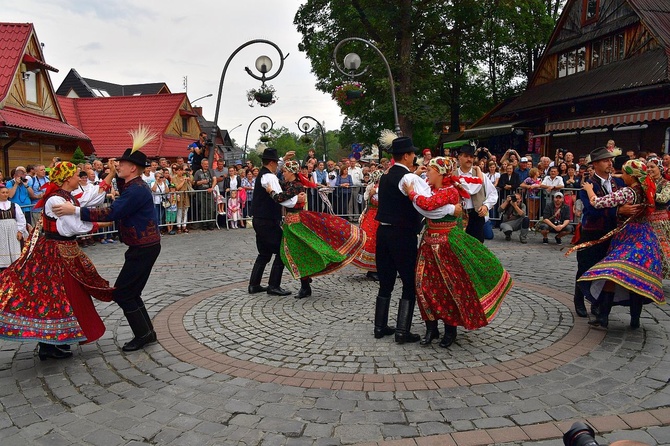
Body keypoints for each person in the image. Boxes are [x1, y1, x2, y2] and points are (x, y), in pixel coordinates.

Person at [53, 126, 162, 352]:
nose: (117, 165)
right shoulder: (134, 185)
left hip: (143, 248)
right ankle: (147, 333)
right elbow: (122, 188)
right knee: (131, 292)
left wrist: (75, 210)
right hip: (143, 246)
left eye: (121, 163)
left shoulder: (137, 190)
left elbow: (111, 212)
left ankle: (143, 334)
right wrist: (115, 173)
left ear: (132, 168)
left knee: (123, 293)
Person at [0, 161, 115, 360]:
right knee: (53, 296)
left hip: (64, 251)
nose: (79, 178)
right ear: (66, 178)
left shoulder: (67, 196)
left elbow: (91, 196)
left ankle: (55, 341)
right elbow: (74, 226)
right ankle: (48, 344)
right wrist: (105, 222)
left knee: (64, 295)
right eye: (75, 175)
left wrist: (111, 174)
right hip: (53, 255)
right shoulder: (55, 200)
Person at [403, 157, 512, 347]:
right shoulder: (431, 188)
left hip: (447, 244)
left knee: (448, 286)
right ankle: (431, 327)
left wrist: (411, 193)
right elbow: (425, 203)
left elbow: (428, 205)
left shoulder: (450, 192)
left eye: (430, 170)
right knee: (424, 285)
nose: (427, 172)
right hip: (428, 243)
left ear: (440, 173)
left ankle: (450, 329)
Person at [576, 159, 664, 329]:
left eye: (624, 173)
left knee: (611, 274)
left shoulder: (628, 192)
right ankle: (634, 319)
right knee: (634, 278)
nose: (621, 176)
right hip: (646, 239)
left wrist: (588, 190)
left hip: (629, 237)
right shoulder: (648, 190)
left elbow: (597, 203)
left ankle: (603, 317)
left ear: (631, 176)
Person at [266, 160, 365, 298]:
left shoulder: (297, 186)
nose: (283, 174)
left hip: (297, 224)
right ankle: (304, 283)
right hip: (291, 224)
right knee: (297, 252)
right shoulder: (289, 184)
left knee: (301, 251)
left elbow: (279, 197)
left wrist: (270, 191)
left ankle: (305, 284)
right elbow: (279, 184)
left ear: (292, 173)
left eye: (285, 172)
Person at [374, 136, 424, 344]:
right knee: (408, 281)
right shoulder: (409, 179)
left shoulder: (385, 176)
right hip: (402, 234)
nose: (415, 157)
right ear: (406, 155)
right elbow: (423, 204)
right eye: (413, 154)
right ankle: (402, 330)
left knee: (385, 281)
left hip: (383, 233)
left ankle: (380, 326)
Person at [572, 146, 626, 318]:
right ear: (595, 164)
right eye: (605, 160)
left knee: (606, 270)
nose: (610, 163)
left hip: (615, 233)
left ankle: (598, 303)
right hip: (592, 233)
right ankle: (579, 299)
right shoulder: (587, 186)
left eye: (610, 160)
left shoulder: (619, 183)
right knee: (585, 267)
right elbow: (593, 211)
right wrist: (619, 210)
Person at [248, 148, 295, 296]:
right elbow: (281, 198)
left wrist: (283, 157)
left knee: (264, 253)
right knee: (282, 250)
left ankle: (254, 285)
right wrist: (296, 201)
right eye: (277, 163)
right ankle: (273, 285)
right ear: (272, 162)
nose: (278, 167)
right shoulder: (270, 177)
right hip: (268, 221)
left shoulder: (264, 173)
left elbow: (274, 168)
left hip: (259, 219)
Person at [457, 144, 498, 242]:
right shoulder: (453, 175)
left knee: (477, 245)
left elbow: (493, 193)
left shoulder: (481, 176)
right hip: (458, 215)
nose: (469, 159)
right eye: (466, 156)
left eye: (471, 157)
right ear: (459, 157)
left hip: (476, 214)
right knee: (459, 246)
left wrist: (486, 206)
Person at [352, 170, 383, 280]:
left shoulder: (377, 188)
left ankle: (375, 268)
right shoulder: (373, 188)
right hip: (373, 216)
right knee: (372, 241)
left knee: (376, 241)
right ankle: (372, 269)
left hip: (375, 216)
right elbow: (368, 199)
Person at [0, 184, 29, 269]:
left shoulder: (14, 205)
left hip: (13, 229)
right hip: (1, 230)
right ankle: (3, 266)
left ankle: (15, 265)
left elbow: (21, 219)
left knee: (14, 246)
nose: (5, 194)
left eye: (6, 192)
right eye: (3, 193)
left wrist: (20, 231)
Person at [193, 158, 216, 230]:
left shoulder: (211, 171)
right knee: (203, 208)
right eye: (205, 164)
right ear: (202, 164)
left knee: (211, 208)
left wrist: (212, 188)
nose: (206, 165)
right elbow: (194, 182)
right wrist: (201, 182)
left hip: (209, 191)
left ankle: (211, 223)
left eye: (207, 164)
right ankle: (204, 224)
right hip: (201, 192)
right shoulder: (198, 172)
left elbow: (215, 179)